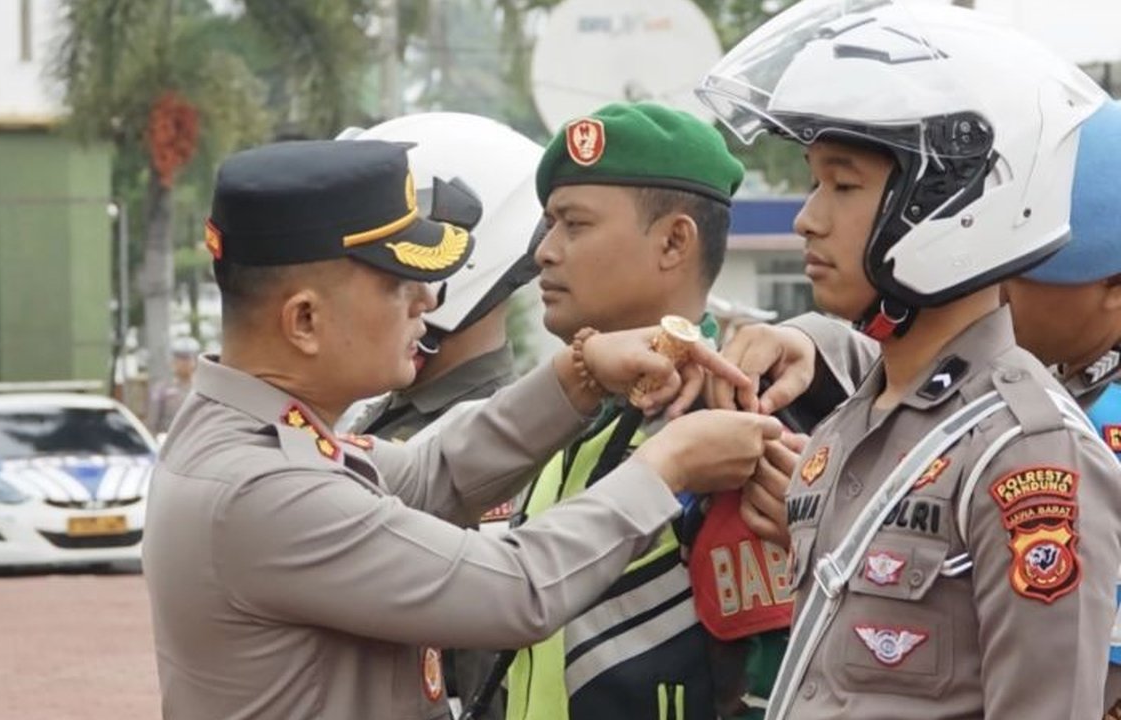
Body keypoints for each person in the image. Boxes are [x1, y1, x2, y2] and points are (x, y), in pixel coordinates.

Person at [141, 138, 783, 720]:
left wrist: (581, 371)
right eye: (400, 285)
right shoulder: (262, 488)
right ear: (304, 320)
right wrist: (666, 468)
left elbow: (430, 474)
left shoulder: (253, 435)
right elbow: (516, 588)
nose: (428, 300)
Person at [695, 1, 1121, 717]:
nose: (807, 216)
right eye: (813, 182)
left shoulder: (1027, 453)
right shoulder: (846, 431)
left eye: (843, 185)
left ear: (948, 206)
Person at [503, 102, 802, 720]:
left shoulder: (735, 424)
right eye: (548, 226)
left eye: (574, 225)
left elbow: (769, 685)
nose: (545, 253)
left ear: (673, 242)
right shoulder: (573, 416)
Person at [338, 111, 545, 719]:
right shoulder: (373, 413)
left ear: (454, 264)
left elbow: (489, 683)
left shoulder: (508, 442)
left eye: (374, 261)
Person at [147, 336, 200, 434]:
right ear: (173, 361)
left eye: (188, 358)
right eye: (181, 358)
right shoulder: (161, 389)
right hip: (169, 440)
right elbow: (152, 422)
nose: (185, 363)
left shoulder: (202, 388)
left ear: (195, 361)